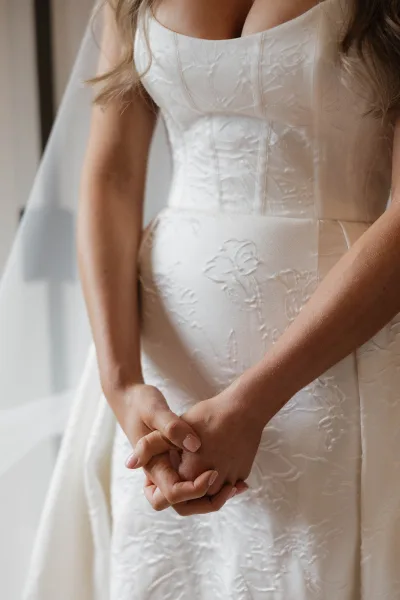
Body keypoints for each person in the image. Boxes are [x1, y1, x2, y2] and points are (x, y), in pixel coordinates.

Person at [22, 0, 400, 598]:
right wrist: (121, 384)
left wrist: (253, 404)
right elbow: (112, 175)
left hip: (334, 365)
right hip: (158, 369)